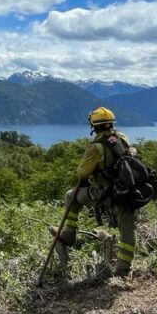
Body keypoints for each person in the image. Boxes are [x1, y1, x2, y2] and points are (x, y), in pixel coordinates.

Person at [51, 107, 137, 277]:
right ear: (111, 124)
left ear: (93, 126)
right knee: (127, 229)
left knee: (71, 195)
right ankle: (123, 269)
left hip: (106, 193)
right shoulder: (122, 138)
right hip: (129, 190)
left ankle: (69, 234)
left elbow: (82, 173)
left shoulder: (96, 148)